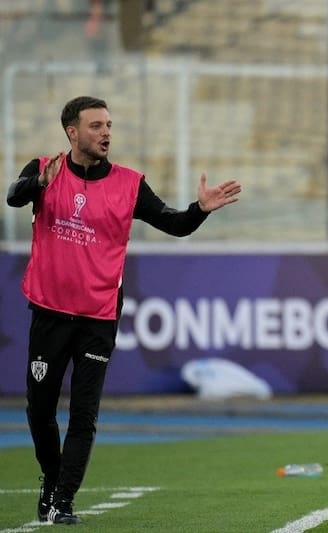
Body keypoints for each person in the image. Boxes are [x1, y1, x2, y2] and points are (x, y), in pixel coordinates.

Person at [6, 96, 242, 525]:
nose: (106, 133)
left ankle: (63, 501)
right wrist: (39, 182)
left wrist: (200, 210)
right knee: (39, 410)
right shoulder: (44, 169)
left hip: (99, 314)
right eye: (96, 126)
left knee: (84, 412)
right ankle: (51, 477)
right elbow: (13, 198)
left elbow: (173, 222)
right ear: (72, 132)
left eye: (109, 125)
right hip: (50, 311)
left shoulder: (130, 184)